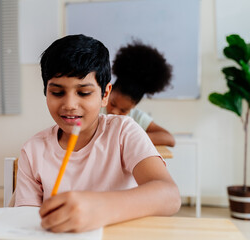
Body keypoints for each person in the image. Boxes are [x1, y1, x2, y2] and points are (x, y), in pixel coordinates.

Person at [14, 34, 181, 233]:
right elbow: (25, 222)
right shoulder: (33, 150)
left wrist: (101, 208)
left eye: (84, 93)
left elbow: (170, 196)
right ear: (46, 92)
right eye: (57, 92)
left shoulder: (123, 131)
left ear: (105, 95)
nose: (69, 105)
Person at [105, 41, 175, 147]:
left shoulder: (136, 117)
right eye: (113, 103)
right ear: (108, 91)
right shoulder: (96, 107)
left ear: (134, 106)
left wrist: (131, 137)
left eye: (123, 110)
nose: (114, 112)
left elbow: (169, 139)